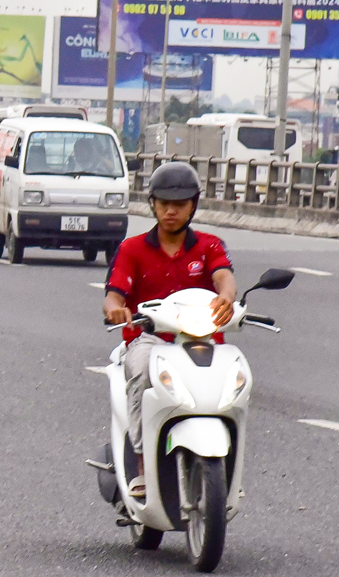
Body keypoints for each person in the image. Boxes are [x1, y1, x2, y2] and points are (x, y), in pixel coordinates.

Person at [102, 162, 238, 461]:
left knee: (236, 375)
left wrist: (226, 296)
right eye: (164, 204)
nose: (171, 212)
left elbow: (223, 276)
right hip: (149, 340)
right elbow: (114, 296)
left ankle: (230, 451)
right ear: (153, 204)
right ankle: (139, 458)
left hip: (199, 338)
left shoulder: (209, 246)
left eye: (179, 205)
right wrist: (116, 310)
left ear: (193, 206)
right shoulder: (132, 249)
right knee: (139, 372)